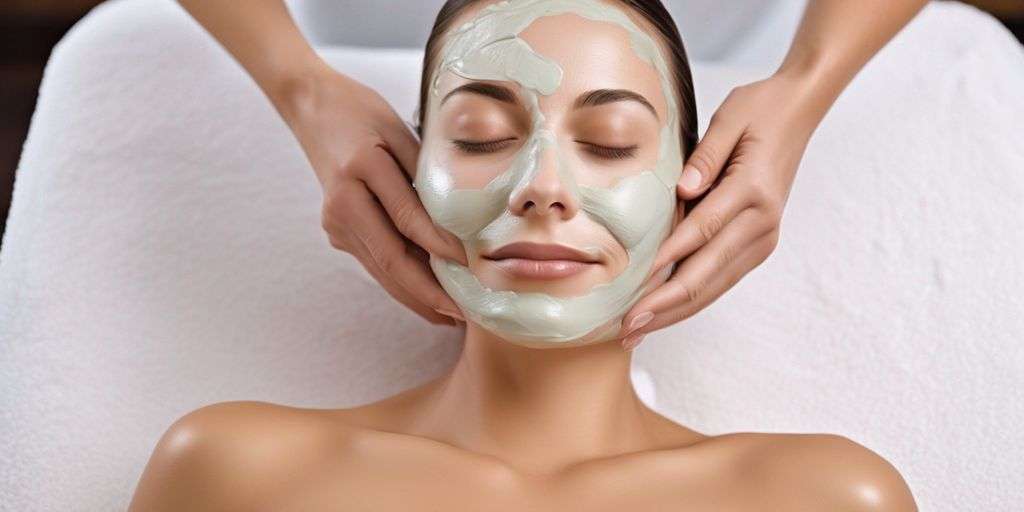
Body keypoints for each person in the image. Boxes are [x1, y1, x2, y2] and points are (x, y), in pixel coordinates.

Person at [127, 1, 918, 509]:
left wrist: (807, 83)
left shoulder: (826, 496)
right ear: (405, 173)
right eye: (479, 137)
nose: (542, 187)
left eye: (610, 145)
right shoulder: (238, 475)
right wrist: (299, 84)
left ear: (697, 185)